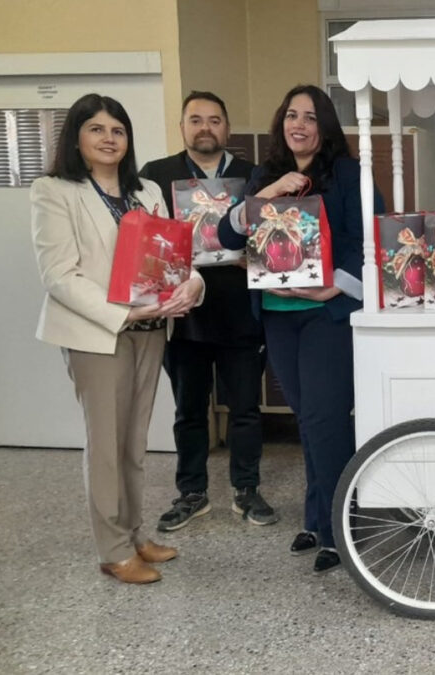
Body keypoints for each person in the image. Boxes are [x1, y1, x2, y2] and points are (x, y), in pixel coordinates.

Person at [30, 93, 205, 583]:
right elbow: (59, 277)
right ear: (77, 137)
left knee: (133, 442)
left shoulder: (146, 188)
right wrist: (125, 313)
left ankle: (133, 533)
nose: (109, 139)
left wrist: (193, 284)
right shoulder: (55, 190)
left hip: (151, 330)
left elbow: (175, 256)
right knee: (105, 443)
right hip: (97, 334)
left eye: (118, 130)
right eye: (97, 129)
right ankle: (112, 549)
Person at [219, 84, 383, 575]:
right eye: (292, 115)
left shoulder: (351, 174)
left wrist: (336, 286)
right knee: (308, 422)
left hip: (325, 315)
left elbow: (372, 239)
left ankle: (340, 529)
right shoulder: (263, 175)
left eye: (311, 117)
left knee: (325, 419)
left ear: (325, 126)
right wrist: (267, 193)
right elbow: (228, 235)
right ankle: (317, 520)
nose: (300, 125)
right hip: (275, 314)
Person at [139, 91, 277, 532]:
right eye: (195, 119)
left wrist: (252, 254)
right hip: (183, 313)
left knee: (245, 408)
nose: (205, 127)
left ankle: (246, 488)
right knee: (189, 410)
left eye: (214, 120)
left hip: (239, 308)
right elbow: (144, 241)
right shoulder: (155, 177)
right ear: (182, 127)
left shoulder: (252, 176)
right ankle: (192, 492)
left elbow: (274, 238)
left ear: (227, 128)